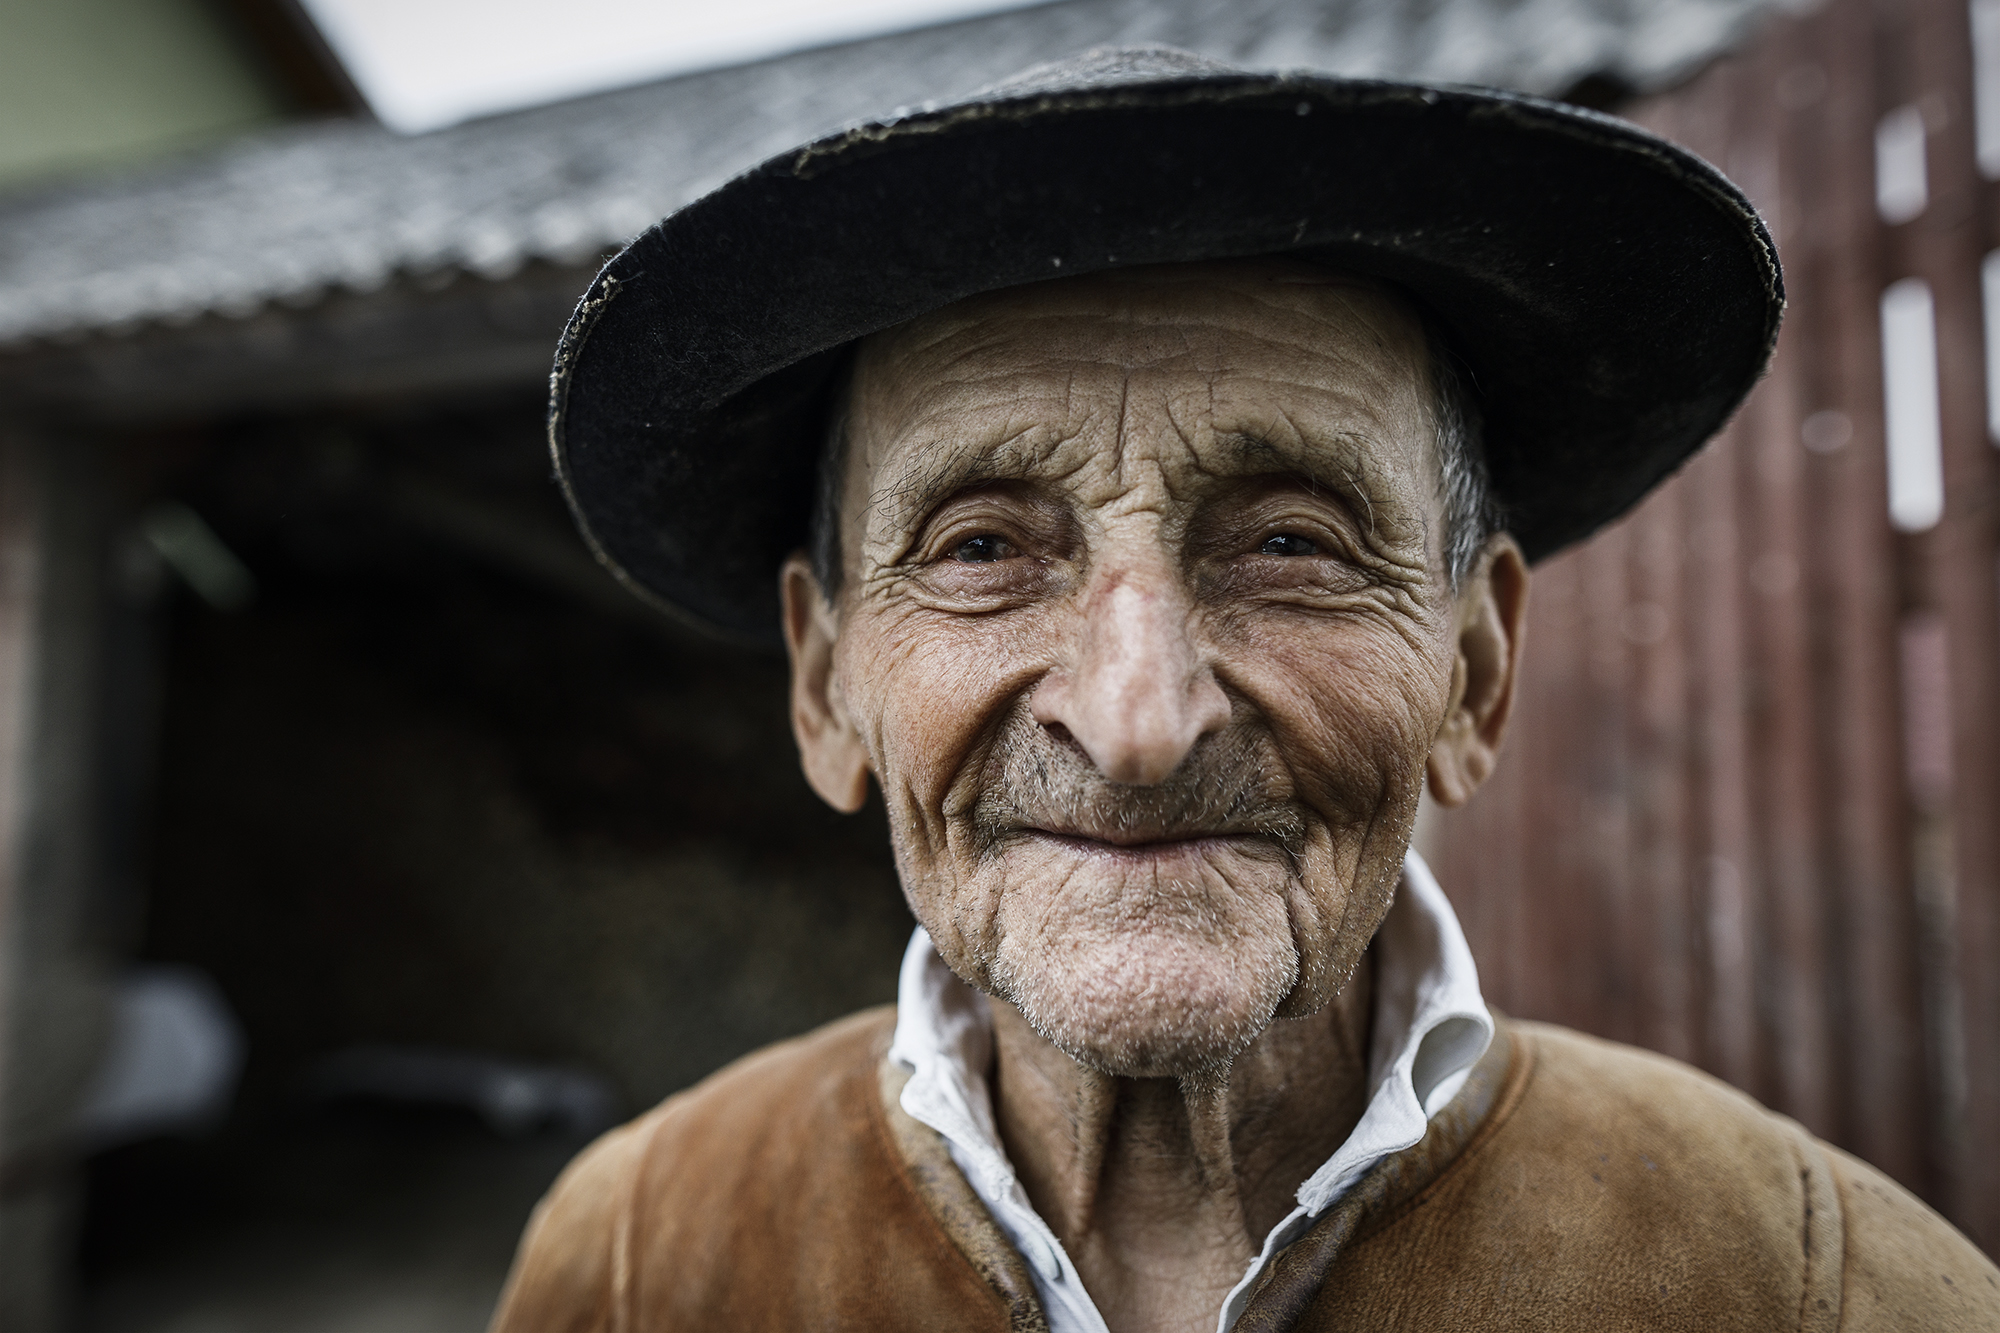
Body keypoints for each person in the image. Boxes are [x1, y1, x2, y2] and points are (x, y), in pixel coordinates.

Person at [491, 47, 1999, 1333]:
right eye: (984, 548)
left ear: (1473, 672)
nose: (1138, 722)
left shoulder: (1819, 1287)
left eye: (1291, 542)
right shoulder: (635, 1262)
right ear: (826, 684)